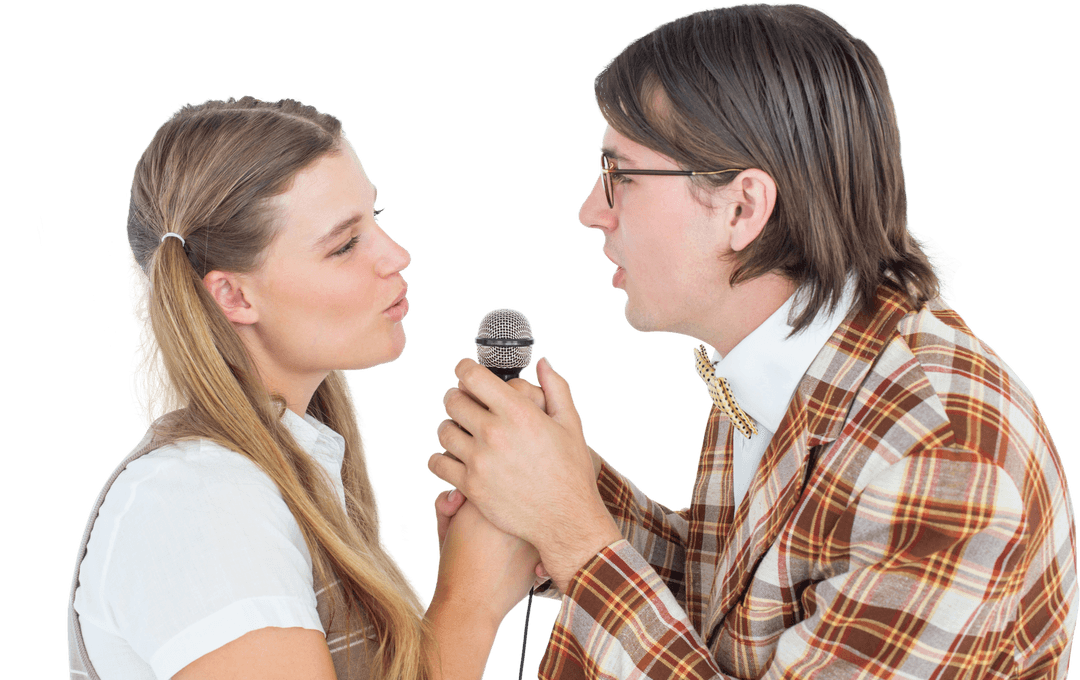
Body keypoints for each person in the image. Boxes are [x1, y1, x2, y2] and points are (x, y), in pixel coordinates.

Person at [427, 4, 1078, 679]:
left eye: (620, 173)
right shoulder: (799, 359)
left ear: (742, 208)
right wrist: (554, 491)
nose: (592, 209)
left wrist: (573, 535)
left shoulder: (942, 457)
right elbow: (738, 610)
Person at [65, 95, 538, 680]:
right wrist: (470, 600)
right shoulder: (199, 502)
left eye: (375, 220)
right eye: (344, 244)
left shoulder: (289, 475)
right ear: (234, 296)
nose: (396, 255)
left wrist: (483, 566)